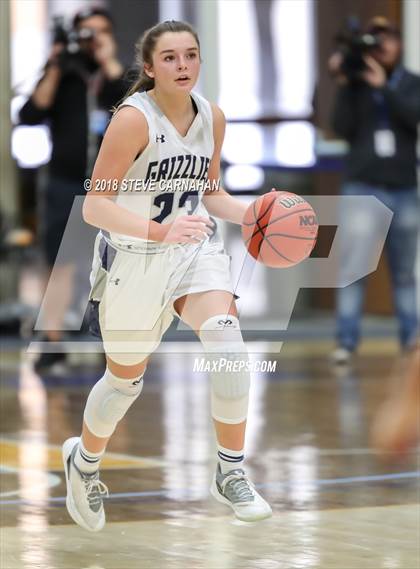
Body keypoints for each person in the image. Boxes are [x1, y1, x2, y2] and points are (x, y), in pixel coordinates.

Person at [61, 20, 272, 531]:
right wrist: (160, 232)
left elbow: (211, 192)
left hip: (192, 250)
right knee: (124, 382)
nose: (183, 66)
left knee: (228, 346)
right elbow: (95, 207)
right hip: (132, 257)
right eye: (171, 58)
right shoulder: (133, 121)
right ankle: (83, 463)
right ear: (150, 68)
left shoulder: (212, 117)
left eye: (191, 56)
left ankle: (229, 470)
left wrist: (252, 214)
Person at [19, 7, 128, 373]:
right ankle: (52, 344)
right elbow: (31, 113)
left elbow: (135, 101)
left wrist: (108, 59)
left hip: (111, 185)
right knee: (60, 262)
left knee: (112, 265)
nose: (92, 39)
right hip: (66, 181)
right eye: (86, 33)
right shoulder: (65, 72)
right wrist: (54, 65)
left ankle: (108, 345)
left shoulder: (117, 77)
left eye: (100, 32)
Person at [328, 17, 420, 365]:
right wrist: (344, 83)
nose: (382, 46)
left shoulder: (410, 83)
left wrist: (385, 87)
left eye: (388, 38)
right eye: (375, 39)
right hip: (362, 188)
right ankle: (346, 342)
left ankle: (412, 343)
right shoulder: (354, 83)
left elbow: (414, 116)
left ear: (400, 43)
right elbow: (340, 126)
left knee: (405, 273)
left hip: (404, 189)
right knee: (353, 269)